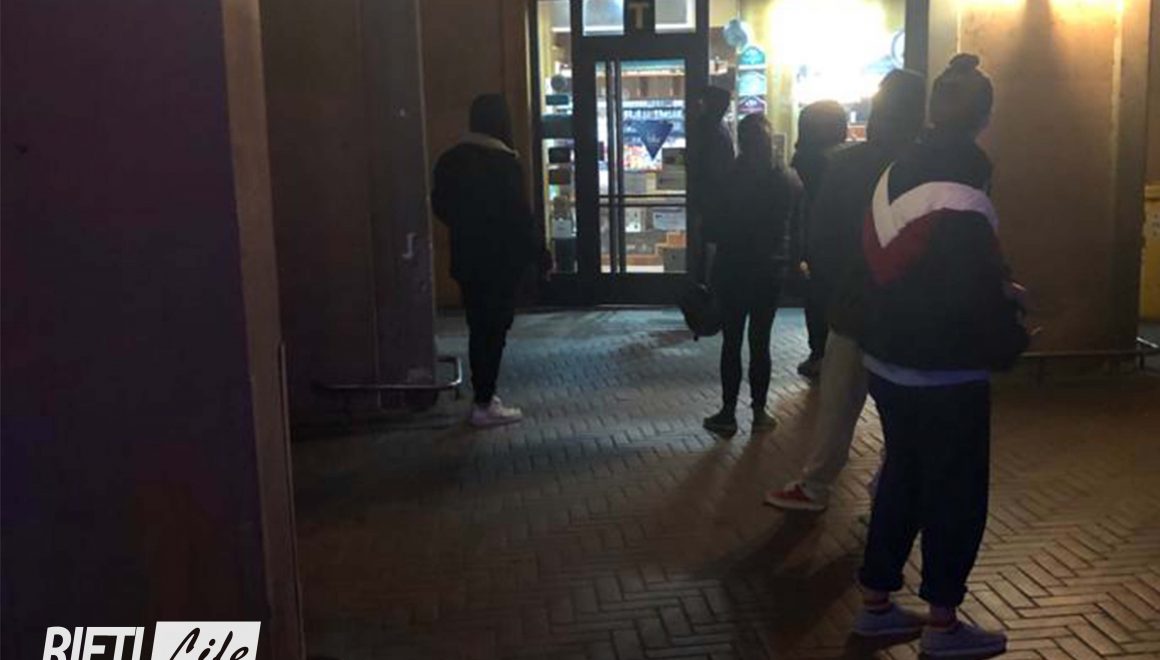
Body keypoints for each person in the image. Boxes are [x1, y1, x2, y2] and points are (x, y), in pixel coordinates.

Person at [849, 55, 1028, 657]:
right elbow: (968, 292)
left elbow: (903, 265)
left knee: (902, 475)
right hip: (944, 367)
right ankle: (943, 622)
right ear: (985, 117)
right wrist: (1011, 320)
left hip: (886, 357)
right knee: (955, 491)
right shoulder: (963, 189)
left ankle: (876, 603)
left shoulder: (898, 169)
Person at [765, 69, 927, 512]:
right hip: (909, 305)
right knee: (900, 408)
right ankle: (888, 484)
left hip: (856, 300)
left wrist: (831, 288)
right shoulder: (929, 164)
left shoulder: (849, 164)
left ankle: (816, 484)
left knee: (839, 400)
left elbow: (823, 235)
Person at [431, 94, 542, 428]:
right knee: (494, 331)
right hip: (501, 263)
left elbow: (440, 205)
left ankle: (482, 397)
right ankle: (484, 401)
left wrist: (466, 226)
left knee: (477, 327)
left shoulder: (450, 159)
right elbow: (520, 218)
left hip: (467, 259)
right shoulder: (504, 163)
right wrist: (540, 255)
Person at [702, 114, 794, 436]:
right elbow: (789, 225)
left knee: (732, 342)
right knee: (760, 341)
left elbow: (712, 230)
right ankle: (759, 411)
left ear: (742, 141)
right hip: (769, 270)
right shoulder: (782, 179)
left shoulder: (729, 178)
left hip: (733, 268)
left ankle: (728, 412)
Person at [791, 101, 848, 379]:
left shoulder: (805, 159)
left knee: (815, 299)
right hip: (842, 240)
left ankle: (819, 353)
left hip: (814, 239)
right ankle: (835, 354)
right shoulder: (846, 159)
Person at [690, 86, 736, 281]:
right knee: (709, 242)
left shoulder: (707, 128)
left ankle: (705, 281)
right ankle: (706, 281)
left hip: (709, 196)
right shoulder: (718, 128)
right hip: (714, 197)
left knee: (706, 242)